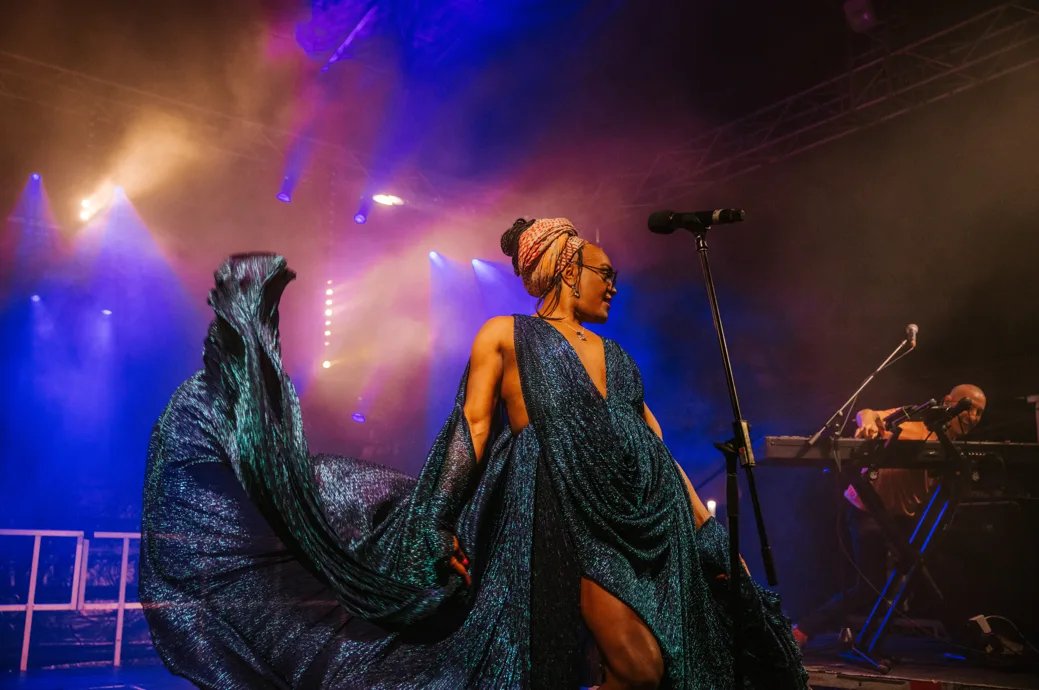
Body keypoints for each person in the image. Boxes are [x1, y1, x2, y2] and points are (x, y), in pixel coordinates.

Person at [141, 223, 806, 689]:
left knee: (658, 669)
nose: (613, 286)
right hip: (561, 516)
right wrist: (436, 521)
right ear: (567, 268)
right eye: (606, 273)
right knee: (636, 668)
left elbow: (654, 450)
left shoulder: (620, 358)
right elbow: (473, 427)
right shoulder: (506, 336)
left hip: (642, 524)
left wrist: (707, 534)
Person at [792, 384, 986, 646]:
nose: (973, 417)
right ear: (948, 402)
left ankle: (966, 640)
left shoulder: (955, 446)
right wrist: (870, 423)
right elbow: (867, 413)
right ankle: (803, 629)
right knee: (868, 586)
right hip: (867, 508)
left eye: (979, 413)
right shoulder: (914, 419)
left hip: (903, 518)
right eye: (968, 408)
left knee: (929, 574)